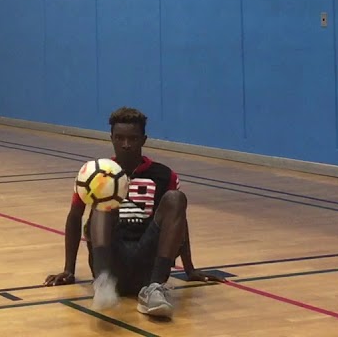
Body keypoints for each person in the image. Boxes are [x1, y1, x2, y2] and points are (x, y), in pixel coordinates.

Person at [43, 106, 225, 317]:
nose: (126, 144)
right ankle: (103, 283)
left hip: (148, 262)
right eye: (119, 138)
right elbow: (75, 216)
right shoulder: (94, 173)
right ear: (111, 138)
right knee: (103, 203)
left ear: (143, 140)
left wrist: (189, 269)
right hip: (113, 260)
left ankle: (154, 289)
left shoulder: (164, 175)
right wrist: (69, 270)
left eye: (133, 138)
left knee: (176, 198)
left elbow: (178, 222)